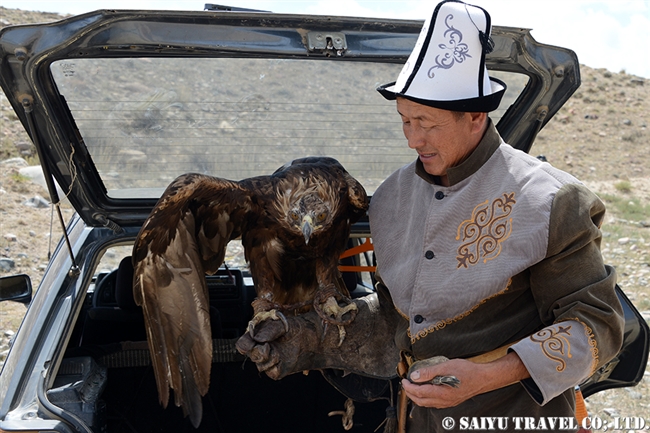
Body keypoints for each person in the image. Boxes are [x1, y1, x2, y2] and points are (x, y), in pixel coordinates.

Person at [237, 1, 625, 431]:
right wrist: (308, 336)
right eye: (404, 120)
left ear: (476, 116)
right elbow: (394, 321)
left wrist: (486, 377)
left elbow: (598, 327)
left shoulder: (551, 201)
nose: (412, 139)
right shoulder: (390, 198)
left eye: (426, 122)